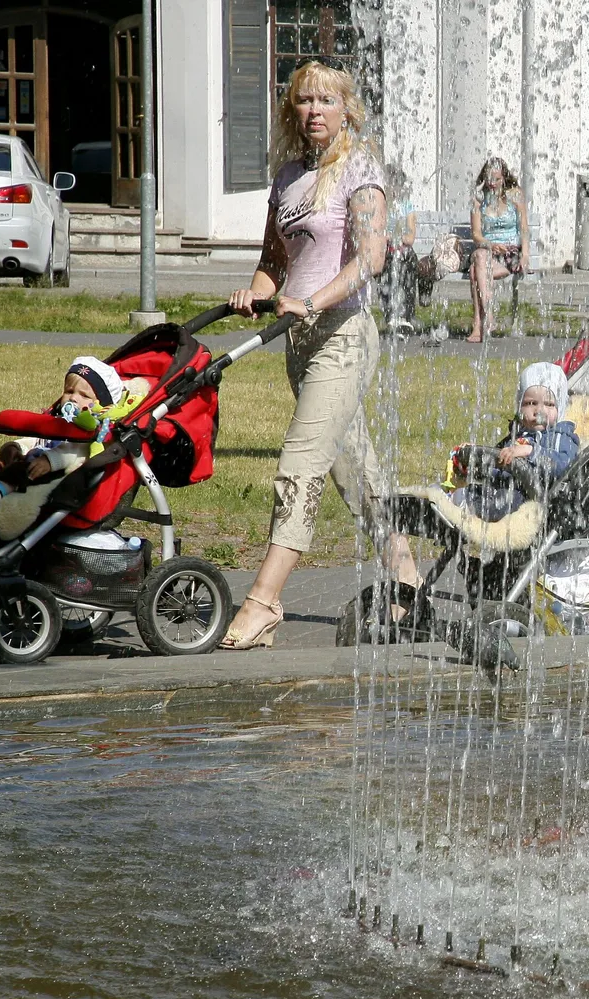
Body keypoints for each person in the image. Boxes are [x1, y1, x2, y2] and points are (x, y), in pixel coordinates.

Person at [225, 59, 421, 650]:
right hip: (300, 340)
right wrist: (255, 294)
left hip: (343, 334)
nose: (314, 111)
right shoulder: (287, 178)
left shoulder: (360, 170)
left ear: (346, 111)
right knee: (354, 472)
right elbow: (272, 262)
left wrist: (309, 301)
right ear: (293, 110)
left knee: (300, 465)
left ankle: (263, 602)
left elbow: (371, 260)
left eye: (326, 102)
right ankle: (408, 576)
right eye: (304, 101)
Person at [0, 356, 147, 518]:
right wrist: (16, 446)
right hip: (32, 459)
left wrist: (50, 461)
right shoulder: (60, 418)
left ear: (103, 404)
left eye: (83, 395)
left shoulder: (96, 429)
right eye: (69, 391)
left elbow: (77, 453)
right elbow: (41, 439)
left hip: (55, 475)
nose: (72, 398)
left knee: (17, 472)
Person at [449, 362, 579, 520]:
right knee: (482, 490)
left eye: (549, 404)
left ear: (561, 408)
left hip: (532, 499)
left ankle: (465, 509)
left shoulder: (560, 435)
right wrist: (475, 460)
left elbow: (564, 465)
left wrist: (531, 451)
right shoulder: (519, 433)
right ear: (519, 406)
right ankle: (454, 500)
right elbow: (500, 464)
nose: (539, 411)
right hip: (504, 487)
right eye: (530, 403)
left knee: (506, 501)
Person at [467, 156, 529, 343]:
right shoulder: (478, 199)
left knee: (474, 273)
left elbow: (524, 228)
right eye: (489, 179)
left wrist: (525, 255)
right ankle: (489, 316)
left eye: (497, 179)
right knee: (480, 255)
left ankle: (479, 324)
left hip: (511, 253)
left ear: (504, 178)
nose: (493, 184)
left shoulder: (515, 194)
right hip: (488, 251)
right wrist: (491, 245)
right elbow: (476, 235)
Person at [380, 163, 418, 336]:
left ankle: (405, 316)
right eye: (390, 184)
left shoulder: (406, 206)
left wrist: (394, 238)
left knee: (409, 258)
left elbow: (410, 238)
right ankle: (391, 315)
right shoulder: (379, 204)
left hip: (401, 250)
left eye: (397, 184)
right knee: (388, 262)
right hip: (383, 250)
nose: (394, 188)